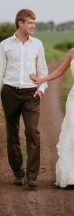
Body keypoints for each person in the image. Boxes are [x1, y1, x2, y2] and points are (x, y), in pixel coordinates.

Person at [0, 9, 48, 188]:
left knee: (32, 132)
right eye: (30, 23)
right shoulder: (5, 45)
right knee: (12, 133)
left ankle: (32, 176)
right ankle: (18, 172)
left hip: (31, 94)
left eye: (34, 23)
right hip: (10, 93)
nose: (33, 26)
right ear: (20, 23)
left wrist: (41, 88)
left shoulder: (37, 44)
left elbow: (43, 70)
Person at [30, 48, 74, 188]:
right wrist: (41, 79)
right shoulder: (72, 52)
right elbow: (60, 71)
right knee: (72, 132)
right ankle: (70, 176)